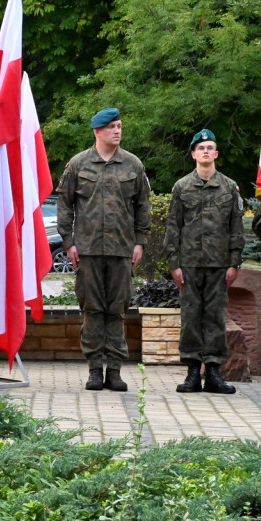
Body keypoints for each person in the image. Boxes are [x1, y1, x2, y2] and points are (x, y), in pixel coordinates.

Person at [57, 107, 151, 392]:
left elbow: (142, 206)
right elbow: (65, 204)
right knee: (92, 309)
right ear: (98, 131)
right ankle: (95, 369)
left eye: (120, 126)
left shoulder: (133, 165)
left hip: (122, 250)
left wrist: (139, 242)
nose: (118, 131)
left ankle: (115, 370)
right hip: (87, 250)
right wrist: (69, 242)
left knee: (117, 309)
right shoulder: (78, 164)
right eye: (112, 127)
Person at [165, 129, 243, 395]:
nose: (206, 151)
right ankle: (191, 373)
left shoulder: (229, 187)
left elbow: (236, 228)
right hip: (189, 264)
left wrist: (234, 263)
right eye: (201, 148)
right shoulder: (182, 187)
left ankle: (213, 373)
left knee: (215, 318)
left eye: (211, 147)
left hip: (219, 264)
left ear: (216, 153)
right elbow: (173, 227)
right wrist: (173, 263)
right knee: (190, 318)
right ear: (194, 154)